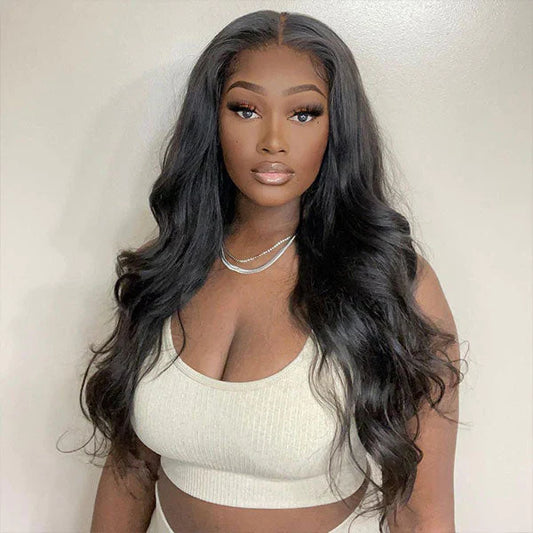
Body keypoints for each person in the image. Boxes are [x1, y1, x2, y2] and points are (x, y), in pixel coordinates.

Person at [84, 10, 465, 533]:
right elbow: (130, 466)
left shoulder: (392, 282)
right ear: (211, 119)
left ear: (337, 127)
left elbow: (422, 511)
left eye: (304, 113)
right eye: (245, 109)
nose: (273, 141)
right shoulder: (166, 266)